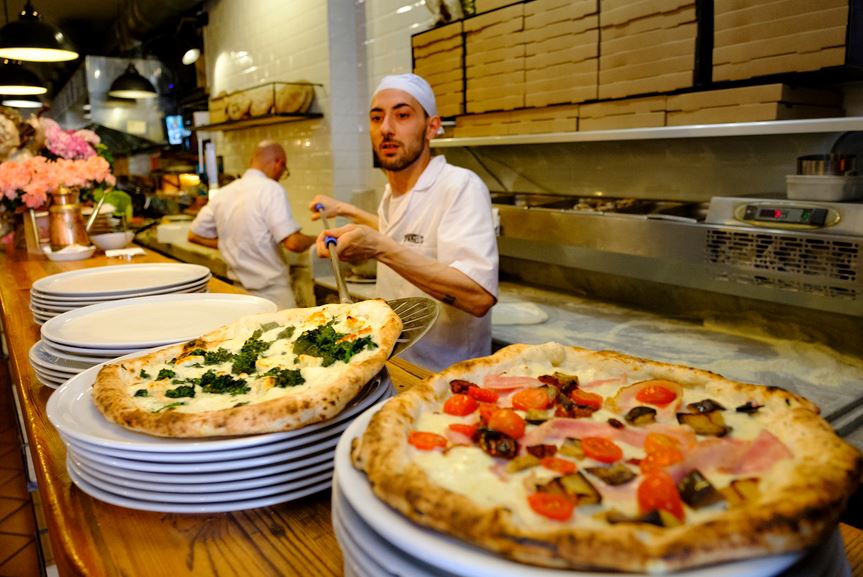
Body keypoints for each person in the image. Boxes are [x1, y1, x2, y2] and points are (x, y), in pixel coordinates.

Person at [310, 73, 498, 371]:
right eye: (376, 118)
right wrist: (347, 212)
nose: (386, 128)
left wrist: (378, 248)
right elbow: (407, 235)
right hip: (394, 365)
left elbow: (478, 297)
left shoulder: (460, 186)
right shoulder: (392, 192)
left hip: (446, 377)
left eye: (402, 115)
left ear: (431, 127)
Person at [189, 140, 315, 309]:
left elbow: (193, 235)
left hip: (238, 294)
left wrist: (227, 243)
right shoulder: (271, 189)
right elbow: (293, 243)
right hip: (274, 296)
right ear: (279, 163)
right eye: (284, 171)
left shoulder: (224, 193)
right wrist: (320, 238)